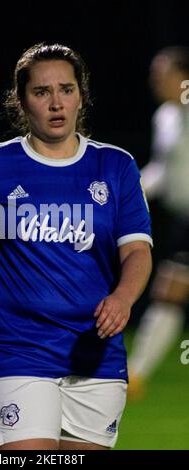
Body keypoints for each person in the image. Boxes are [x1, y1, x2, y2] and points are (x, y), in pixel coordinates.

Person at [0, 42, 152, 450]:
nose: (56, 103)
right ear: (21, 101)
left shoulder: (116, 166)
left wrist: (123, 298)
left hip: (96, 357)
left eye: (66, 89)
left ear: (82, 94)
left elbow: (136, 252)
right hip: (17, 352)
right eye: (42, 92)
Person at [128, 46, 189, 400]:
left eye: (161, 73)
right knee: (169, 293)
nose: (155, 81)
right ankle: (136, 375)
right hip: (185, 221)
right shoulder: (164, 117)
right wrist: (129, 193)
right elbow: (164, 172)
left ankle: (136, 373)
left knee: (169, 291)